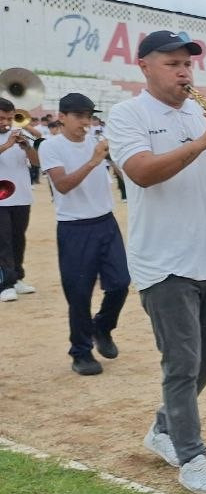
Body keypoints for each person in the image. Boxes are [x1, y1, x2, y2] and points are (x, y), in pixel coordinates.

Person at [106, 29, 206, 494]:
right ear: (145, 66)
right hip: (166, 261)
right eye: (172, 63)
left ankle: (163, 428)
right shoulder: (126, 114)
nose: (182, 71)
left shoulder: (203, 112)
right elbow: (142, 173)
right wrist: (203, 140)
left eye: (187, 64)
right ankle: (191, 455)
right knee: (182, 361)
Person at [37, 93, 130, 375]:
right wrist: (92, 161)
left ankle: (102, 326)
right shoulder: (51, 146)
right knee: (78, 294)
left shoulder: (96, 143)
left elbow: (122, 172)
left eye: (89, 116)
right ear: (62, 117)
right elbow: (63, 185)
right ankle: (81, 352)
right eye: (79, 116)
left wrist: (115, 160)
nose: (85, 123)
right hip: (74, 227)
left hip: (105, 222)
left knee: (121, 283)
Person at [0, 98, 39, 302]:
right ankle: (4, 284)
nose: (5, 122)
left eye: (8, 118)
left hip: (21, 197)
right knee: (3, 241)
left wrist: (27, 147)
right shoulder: (8, 140)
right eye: (1, 118)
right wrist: (7, 144)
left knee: (18, 239)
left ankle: (16, 279)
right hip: (1, 200)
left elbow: (36, 163)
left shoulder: (19, 136)